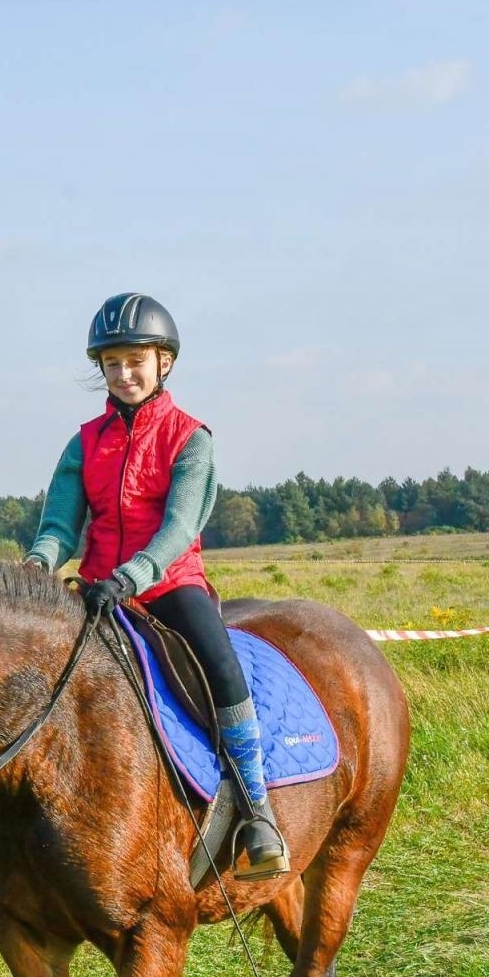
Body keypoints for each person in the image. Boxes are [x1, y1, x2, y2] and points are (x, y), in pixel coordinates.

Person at [25, 292, 289, 881]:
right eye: (112, 364)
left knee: (222, 668)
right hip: (95, 590)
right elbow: (60, 524)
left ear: (164, 361)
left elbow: (178, 528)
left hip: (170, 587)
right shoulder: (83, 442)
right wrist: (39, 565)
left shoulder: (191, 438)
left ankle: (257, 813)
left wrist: (132, 578)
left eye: (135, 361)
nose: (123, 374)